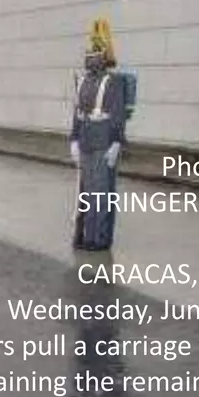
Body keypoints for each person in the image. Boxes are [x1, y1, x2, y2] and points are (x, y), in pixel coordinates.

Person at [70, 19, 131, 252]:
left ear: (103, 56)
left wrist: (117, 142)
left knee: (102, 192)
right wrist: (73, 139)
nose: (89, 56)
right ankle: (88, 234)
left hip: (104, 141)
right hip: (86, 139)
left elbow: (117, 114)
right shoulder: (83, 80)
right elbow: (77, 111)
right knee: (87, 192)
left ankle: (101, 238)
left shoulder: (113, 81)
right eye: (89, 51)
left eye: (94, 52)